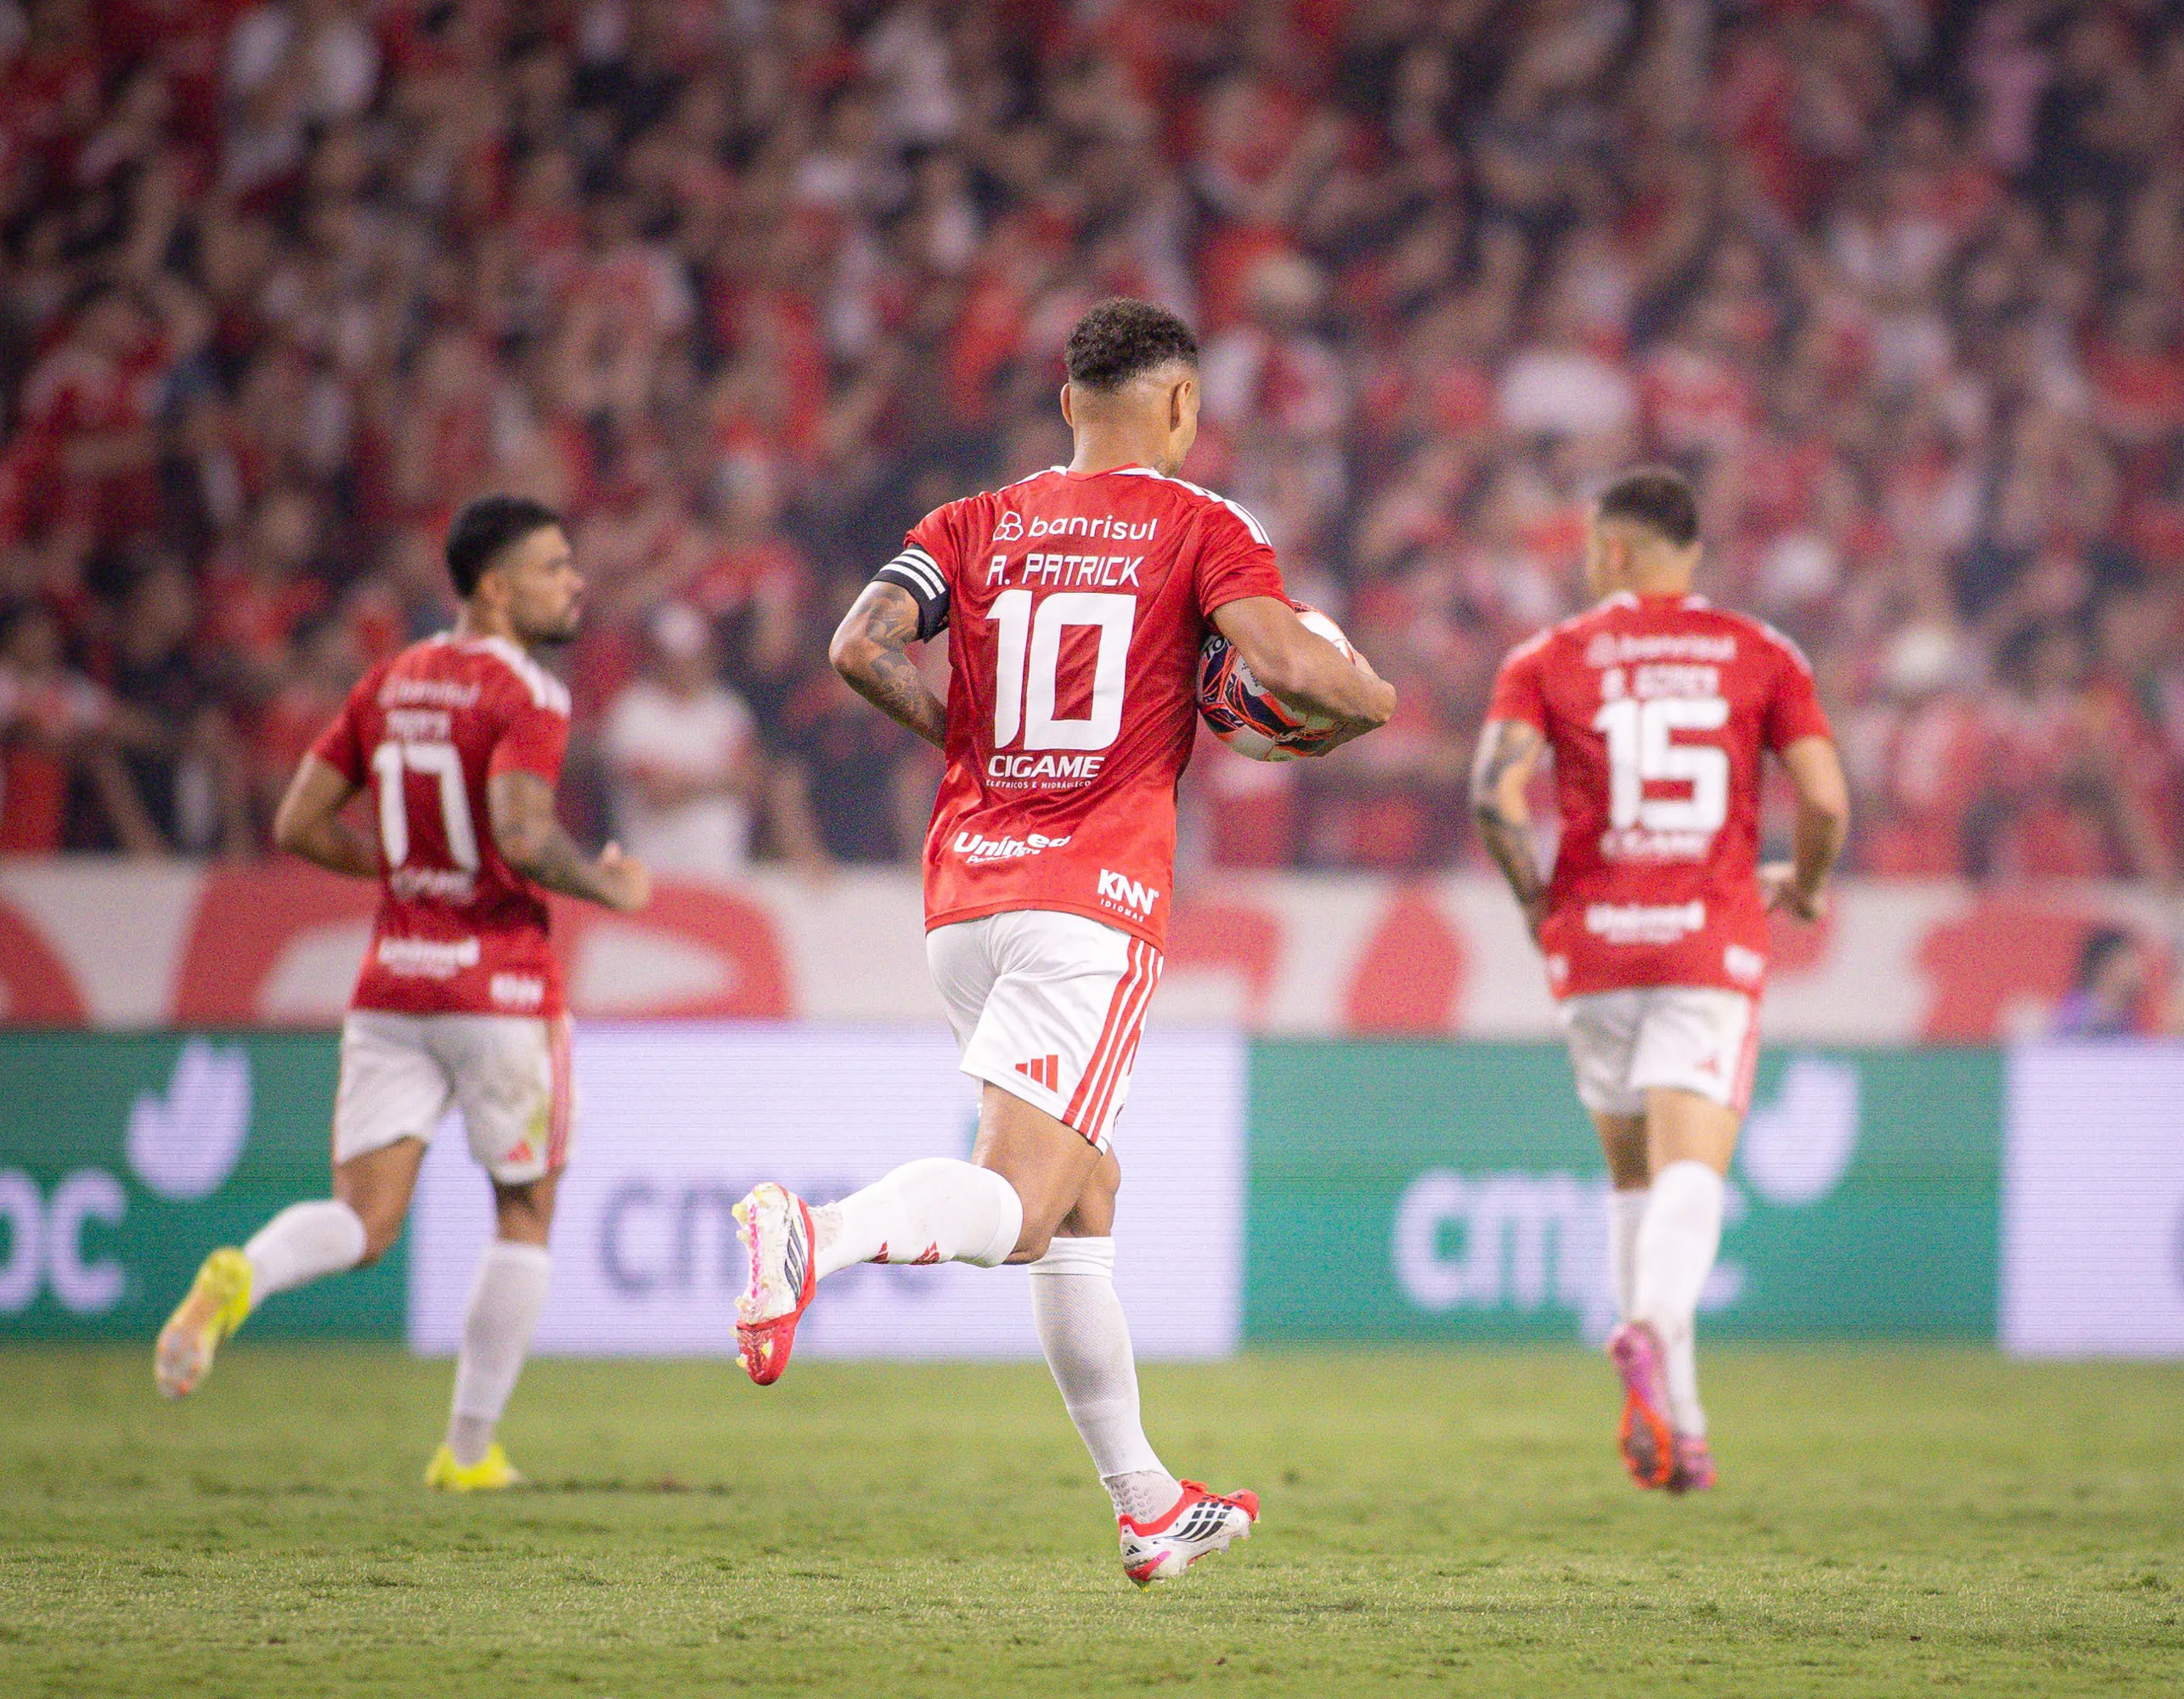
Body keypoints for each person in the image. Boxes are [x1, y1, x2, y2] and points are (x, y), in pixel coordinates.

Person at [726, 300, 1394, 1584]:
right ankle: (821, 1234)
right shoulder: (1203, 524)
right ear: (1184, 408)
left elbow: (859, 647)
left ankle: (1146, 1500)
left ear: (1069, 399)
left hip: (967, 896)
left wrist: (974, 754)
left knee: (1087, 1192)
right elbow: (1277, 662)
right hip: (1091, 902)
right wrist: (1365, 702)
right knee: (1026, 1202)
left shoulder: (969, 524)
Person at [152, 495, 651, 1491]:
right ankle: (468, 1452)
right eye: (555, 567)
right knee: (525, 1209)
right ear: (497, 588)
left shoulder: (390, 680)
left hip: (393, 985)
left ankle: (243, 1271)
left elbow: (298, 821)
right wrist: (605, 882)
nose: (575, 582)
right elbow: (517, 833)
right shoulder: (530, 694)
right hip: (500, 987)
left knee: (363, 1222)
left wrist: (406, 869)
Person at [1470, 467, 1848, 1494]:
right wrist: (1806, 887)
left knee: (1633, 1177)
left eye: (1593, 545)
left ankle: (1683, 1423)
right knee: (1694, 1170)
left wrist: (1536, 901)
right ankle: (1647, 1327)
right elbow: (1823, 796)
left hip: (1591, 946)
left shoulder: (1548, 656)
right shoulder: (1761, 653)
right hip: (1704, 941)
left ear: (1618, 551)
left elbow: (1491, 796)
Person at [600, 601, 758, 876]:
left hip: (721, 868)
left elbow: (749, 781)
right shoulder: (633, 711)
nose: (687, 666)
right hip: (656, 869)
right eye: (676, 658)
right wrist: (720, 781)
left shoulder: (727, 710)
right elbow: (657, 794)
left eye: (694, 656)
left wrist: (684, 781)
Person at [2046, 925, 2153, 1038]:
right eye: (2128, 962)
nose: (2138, 969)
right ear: (2107, 966)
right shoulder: (2076, 1017)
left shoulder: (2127, 1016)